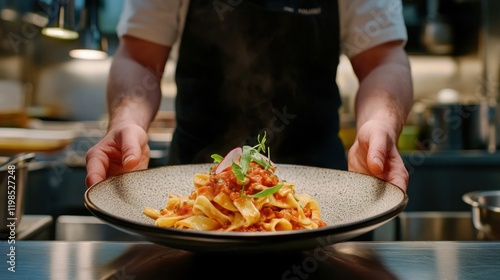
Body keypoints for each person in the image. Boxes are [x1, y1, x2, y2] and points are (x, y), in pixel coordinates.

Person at [85, 0, 413, 192]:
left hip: (325, 193)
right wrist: (126, 120)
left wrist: (381, 122)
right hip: (192, 190)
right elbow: (140, 58)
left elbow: (382, 61)